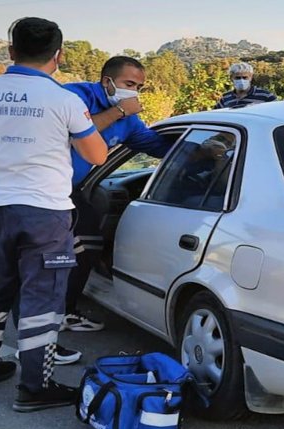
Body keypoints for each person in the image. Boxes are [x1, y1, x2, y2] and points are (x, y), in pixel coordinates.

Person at [0, 17, 107, 412]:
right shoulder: (65, 100)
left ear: (11, 52)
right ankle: (34, 386)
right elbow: (97, 156)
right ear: (58, 56)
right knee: (42, 298)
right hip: (45, 213)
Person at [56, 56, 174, 335]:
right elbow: (72, 130)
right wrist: (119, 111)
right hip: (43, 188)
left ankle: (62, 310)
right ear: (107, 82)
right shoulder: (74, 97)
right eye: (129, 84)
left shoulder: (129, 120)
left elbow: (153, 144)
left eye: (140, 87)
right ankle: (52, 317)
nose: (134, 92)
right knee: (71, 246)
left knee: (87, 241)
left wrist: (201, 148)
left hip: (69, 190)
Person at [213, 62, 277, 109]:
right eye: (237, 78)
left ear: (251, 77)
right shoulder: (225, 98)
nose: (241, 80)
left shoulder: (266, 96)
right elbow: (217, 116)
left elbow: (277, 113)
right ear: (231, 78)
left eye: (245, 77)